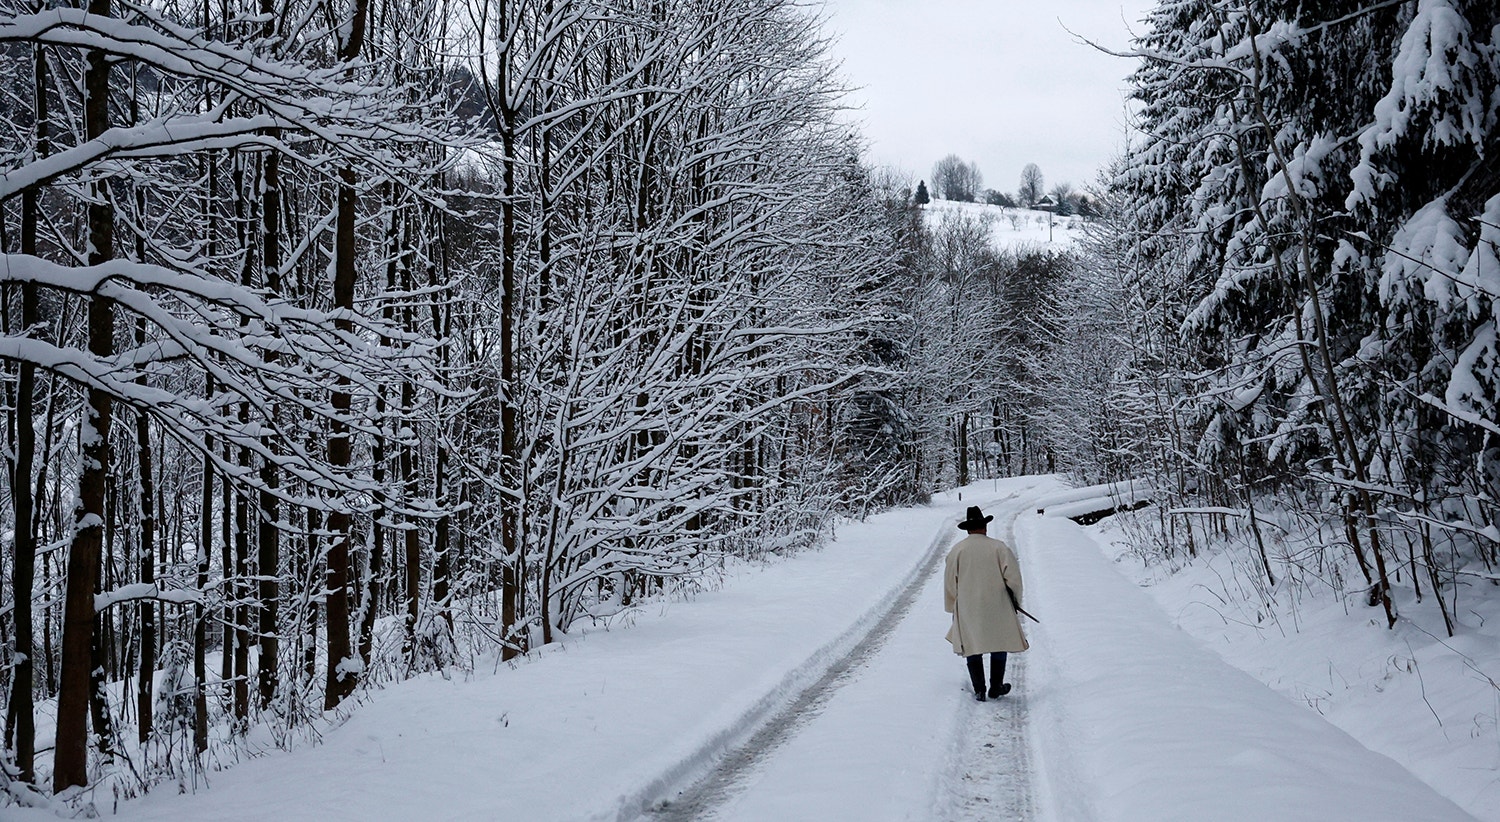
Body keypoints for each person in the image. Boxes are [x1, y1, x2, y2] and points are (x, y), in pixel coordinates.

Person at [944, 505, 1027, 701]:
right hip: (998, 604)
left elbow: (950, 583)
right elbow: (1014, 579)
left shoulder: (957, 551)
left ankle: (979, 689)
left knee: (972, 645)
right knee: (999, 642)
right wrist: (1015, 601)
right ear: (984, 527)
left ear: (968, 529)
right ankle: (996, 686)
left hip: (968, 606)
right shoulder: (999, 547)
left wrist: (953, 606)